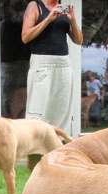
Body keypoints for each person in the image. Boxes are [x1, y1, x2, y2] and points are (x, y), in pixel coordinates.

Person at [21, 0, 83, 137]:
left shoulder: (63, 9)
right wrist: (48, 19)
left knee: (62, 110)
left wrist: (72, 20)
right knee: (37, 109)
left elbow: (79, 40)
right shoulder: (35, 6)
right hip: (42, 63)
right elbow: (25, 37)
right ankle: (35, 149)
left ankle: (59, 150)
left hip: (63, 64)